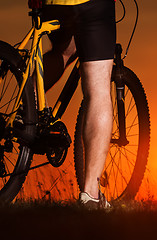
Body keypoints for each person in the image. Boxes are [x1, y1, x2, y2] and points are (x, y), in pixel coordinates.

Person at [28, 0, 116, 209]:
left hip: (52, 3)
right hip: (91, 4)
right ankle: (91, 194)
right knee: (98, 89)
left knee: (64, 50)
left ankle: (25, 109)